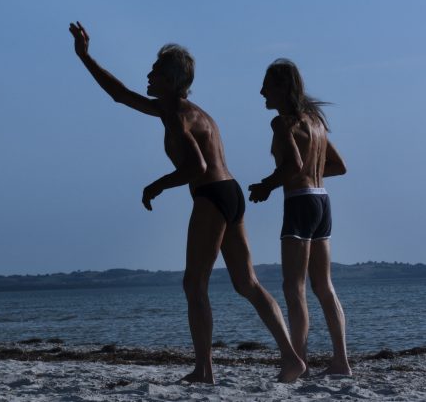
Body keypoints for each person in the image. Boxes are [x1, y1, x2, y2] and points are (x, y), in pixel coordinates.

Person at [69, 22, 305, 384]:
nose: (149, 75)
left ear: (172, 80)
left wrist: (157, 185)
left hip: (212, 195)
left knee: (194, 285)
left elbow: (198, 167)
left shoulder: (178, 116)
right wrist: (85, 57)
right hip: (230, 193)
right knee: (247, 283)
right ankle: (291, 359)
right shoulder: (180, 110)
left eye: (156, 71)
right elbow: (120, 95)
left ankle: (204, 370)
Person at [248, 58, 352, 376]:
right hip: (322, 201)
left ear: (283, 87)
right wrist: (310, 172)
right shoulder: (316, 122)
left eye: (267, 85)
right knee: (324, 286)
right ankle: (341, 361)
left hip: (299, 202)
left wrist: (267, 185)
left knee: (294, 288)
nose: (262, 91)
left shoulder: (283, 123)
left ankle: (300, 361)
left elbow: (292, 165)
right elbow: (338, 166)